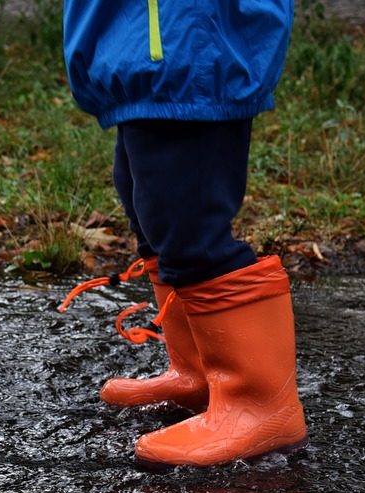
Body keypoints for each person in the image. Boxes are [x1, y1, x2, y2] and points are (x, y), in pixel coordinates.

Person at [61, 0, 307, 468]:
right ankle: (199, 371)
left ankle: (259, 405)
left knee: (188, 224)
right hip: (142, 48)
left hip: (187, 47)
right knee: (148, 205)